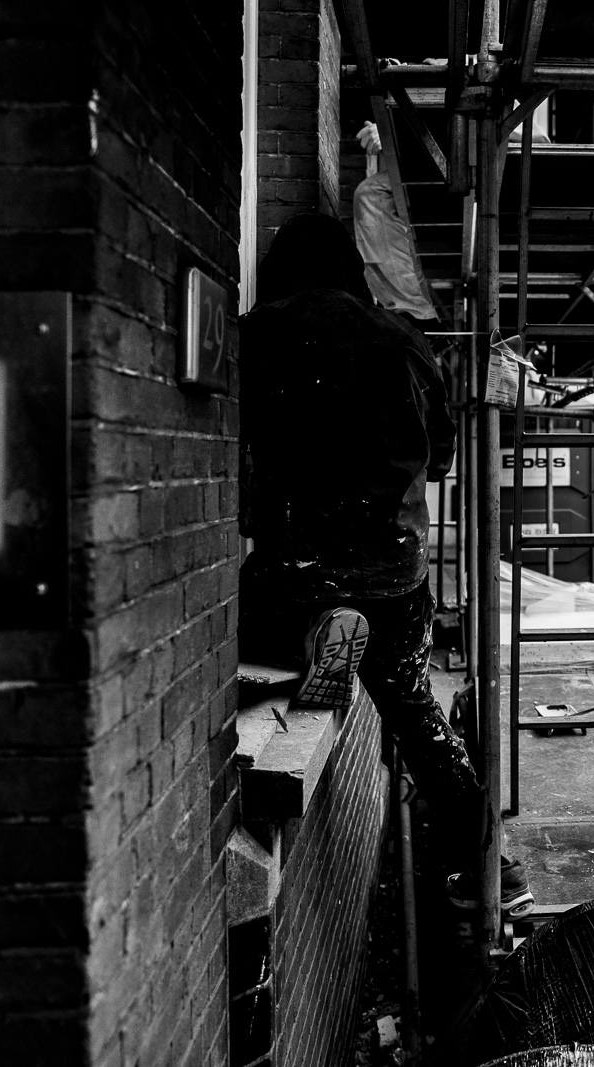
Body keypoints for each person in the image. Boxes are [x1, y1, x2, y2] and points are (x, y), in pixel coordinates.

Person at [240, 212, 532, 917]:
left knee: (256, 642)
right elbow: (442, 448)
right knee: (415, 709)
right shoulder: (405, 338)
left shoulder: (259, 332)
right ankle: (493, 862)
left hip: (298, 565)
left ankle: (303, 662)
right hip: (398, 570)